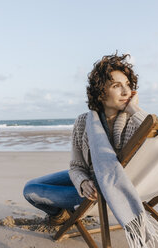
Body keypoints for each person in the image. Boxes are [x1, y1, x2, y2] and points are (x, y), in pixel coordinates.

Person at [23, 53, 148, 225]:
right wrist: (82, 182)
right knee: (30, 188)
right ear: (100, 92)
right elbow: (76, 167)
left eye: (127, 85)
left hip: (109, 191)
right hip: (90, 185)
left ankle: (69, 210)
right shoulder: (83, 122)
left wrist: (134, 110)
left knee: (33, 191)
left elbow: (156, 137)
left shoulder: (135, 121)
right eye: (116, 86)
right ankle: (61, 214)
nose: (126, 91)